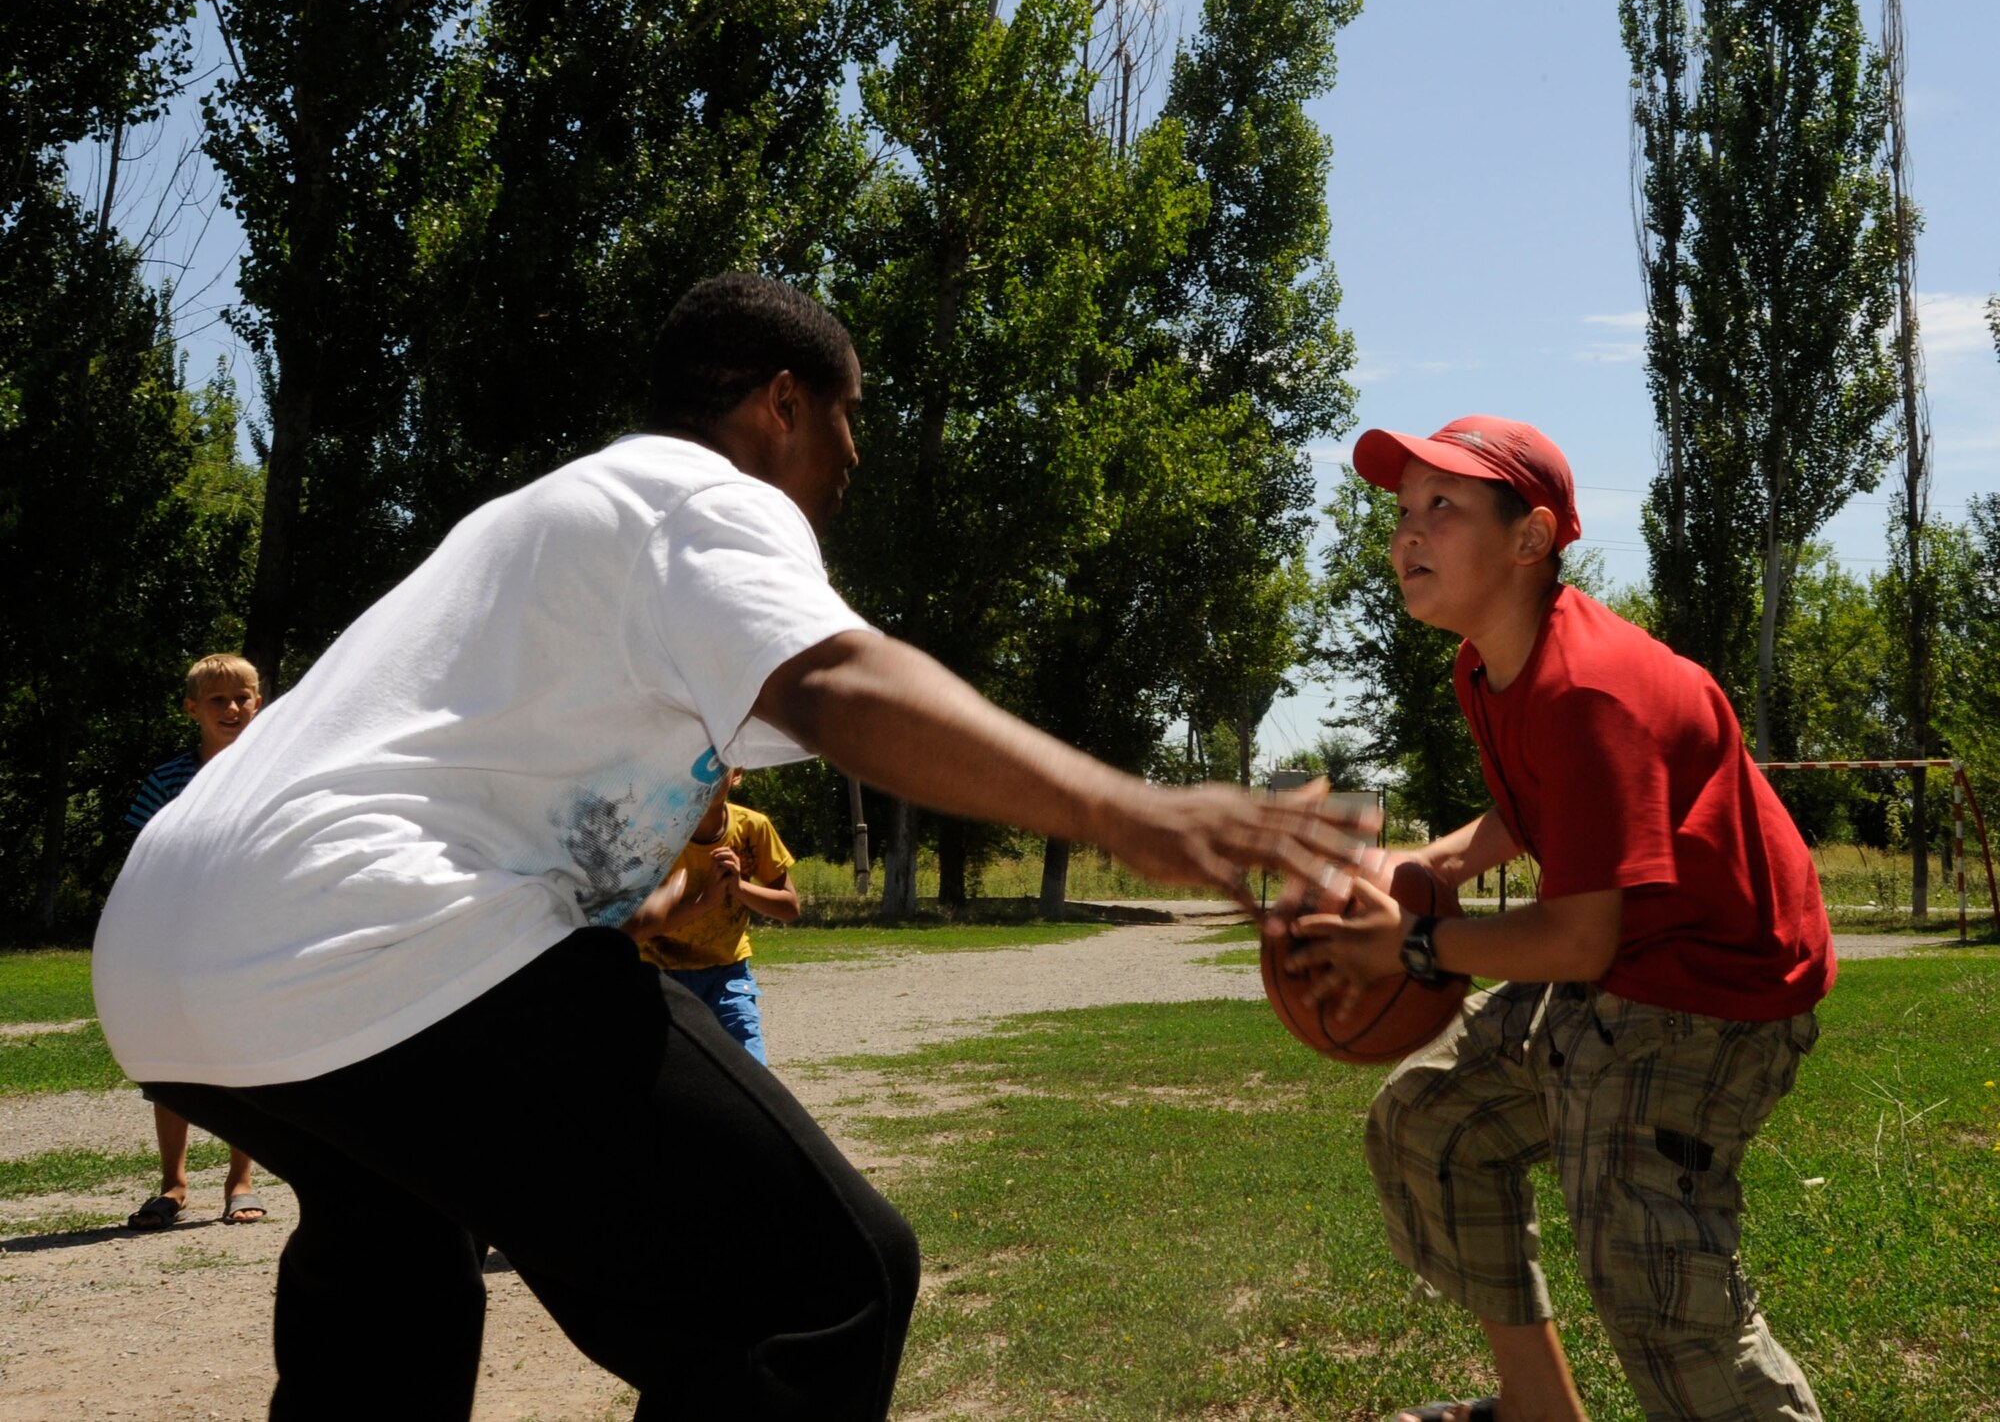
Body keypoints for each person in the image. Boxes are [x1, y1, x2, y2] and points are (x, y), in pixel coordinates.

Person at [93, 273, 1373, 1421]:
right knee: (821, 1286)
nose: (852, 454)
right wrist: (1128, 809)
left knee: (395, 1261)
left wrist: (630, 896)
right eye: (847, 414)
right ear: (780, 404)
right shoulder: (696, 492)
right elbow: (836, 678)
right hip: (365, 935)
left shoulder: (548, 524)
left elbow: (508, 770)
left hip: (167, 956)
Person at [1276, 416, 1831, 1422]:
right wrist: (1427, 860)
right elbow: (1540, 808)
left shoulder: (1590, 688)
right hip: (1624, 972)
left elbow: (1578, 935)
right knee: (1431, 1127)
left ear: (1530, 539)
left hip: (1711, 997)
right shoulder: (1491, 667)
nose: (1406, 532)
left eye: (1440, 506)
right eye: (1401, 510)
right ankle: (1537, 1410)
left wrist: (1406, 943)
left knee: (1653, 1278)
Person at [122, 653, 269, 1230]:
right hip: (176, 941)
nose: (233, 708)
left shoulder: (277, 773)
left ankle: (242, 1181)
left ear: (260, 701)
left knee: (243, 1057)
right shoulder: (166, 780)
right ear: (191, 709)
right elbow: (141, 859)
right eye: (218, 700)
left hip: (252, 937)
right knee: (172, 1059)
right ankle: (174, 1185)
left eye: (244, 697)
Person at [622, 766, 796, 1063]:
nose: (709, 774)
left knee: (750, 1070)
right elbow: (633, 927)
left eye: (720, 764)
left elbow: (789, 908)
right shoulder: (655, 832)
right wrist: (705, 902)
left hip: (728, 974)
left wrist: (738, 888)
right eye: (700, 764)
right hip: (661, 973)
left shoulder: (754, 828)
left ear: (737, 773)